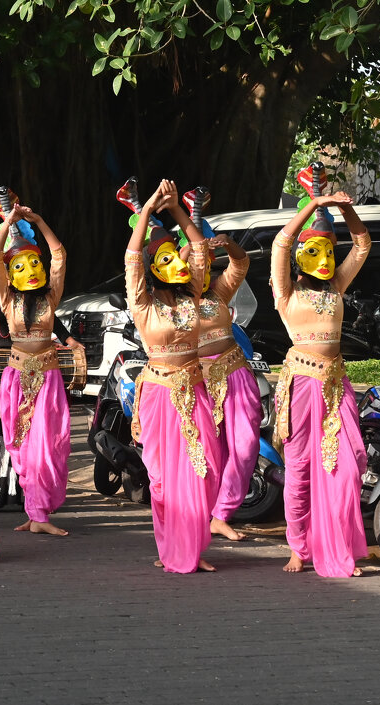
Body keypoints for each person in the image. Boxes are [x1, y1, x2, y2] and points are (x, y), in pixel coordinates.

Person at [122, 179, 223, 573]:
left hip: (195, 390)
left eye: (175, 257)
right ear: (152, 270)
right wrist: (146, 210)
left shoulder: (194, 295)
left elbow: (199, 250)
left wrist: (177, 211)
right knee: (164, 479)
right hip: (160, 395)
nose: (178, 264)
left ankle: (193, 546)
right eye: (165, 260)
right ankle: (175, 550)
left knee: (205, 468)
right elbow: (132, 258)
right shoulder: (143, 303)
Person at [270, 187, 371, 577]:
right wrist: (313, 205)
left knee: (349, 466)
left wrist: (345, 210)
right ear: (299, 264)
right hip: (300, 388)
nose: (327, 260)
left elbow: (361, 246)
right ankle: (299, 547)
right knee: (300, 470)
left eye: (329, 251)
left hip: (335, 384)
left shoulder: (337, 289)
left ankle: (338, 544)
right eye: (316, 252)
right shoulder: (287, 294)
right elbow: (281, 243)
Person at [177, 189, 259, 542]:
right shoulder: (169, 300)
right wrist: (191, 246)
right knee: (206, 453)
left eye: (205, 262)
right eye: (196, 262)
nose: (202, 267)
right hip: (195, 380)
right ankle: (202, 514)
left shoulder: (219, 293)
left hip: (234, 373)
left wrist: (225, 244)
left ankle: (222, 513)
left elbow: (241, 264)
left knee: (245, 446)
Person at [0, 200, 71, 536]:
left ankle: (39, 514)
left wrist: (38, 220)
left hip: (49, 380)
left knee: (49, 445)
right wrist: (8, 223)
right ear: (10, 275)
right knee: (22, 448)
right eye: (20, 267)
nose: (31, 270)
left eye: (34, 263)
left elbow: (60, 257)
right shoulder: (7, 299)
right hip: (17, 381)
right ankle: (36, 513)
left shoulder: (50, 297)